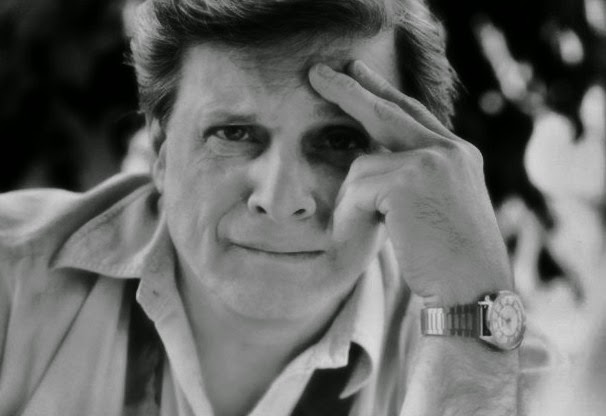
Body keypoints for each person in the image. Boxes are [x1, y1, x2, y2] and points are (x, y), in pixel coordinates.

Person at [0, 0, 547, 415]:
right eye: (234, 132)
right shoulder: (11, 280)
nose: (280, 201)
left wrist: (471, 320)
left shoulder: (506, 375)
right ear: (162, 150)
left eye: (339, 140)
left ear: (412, 159)